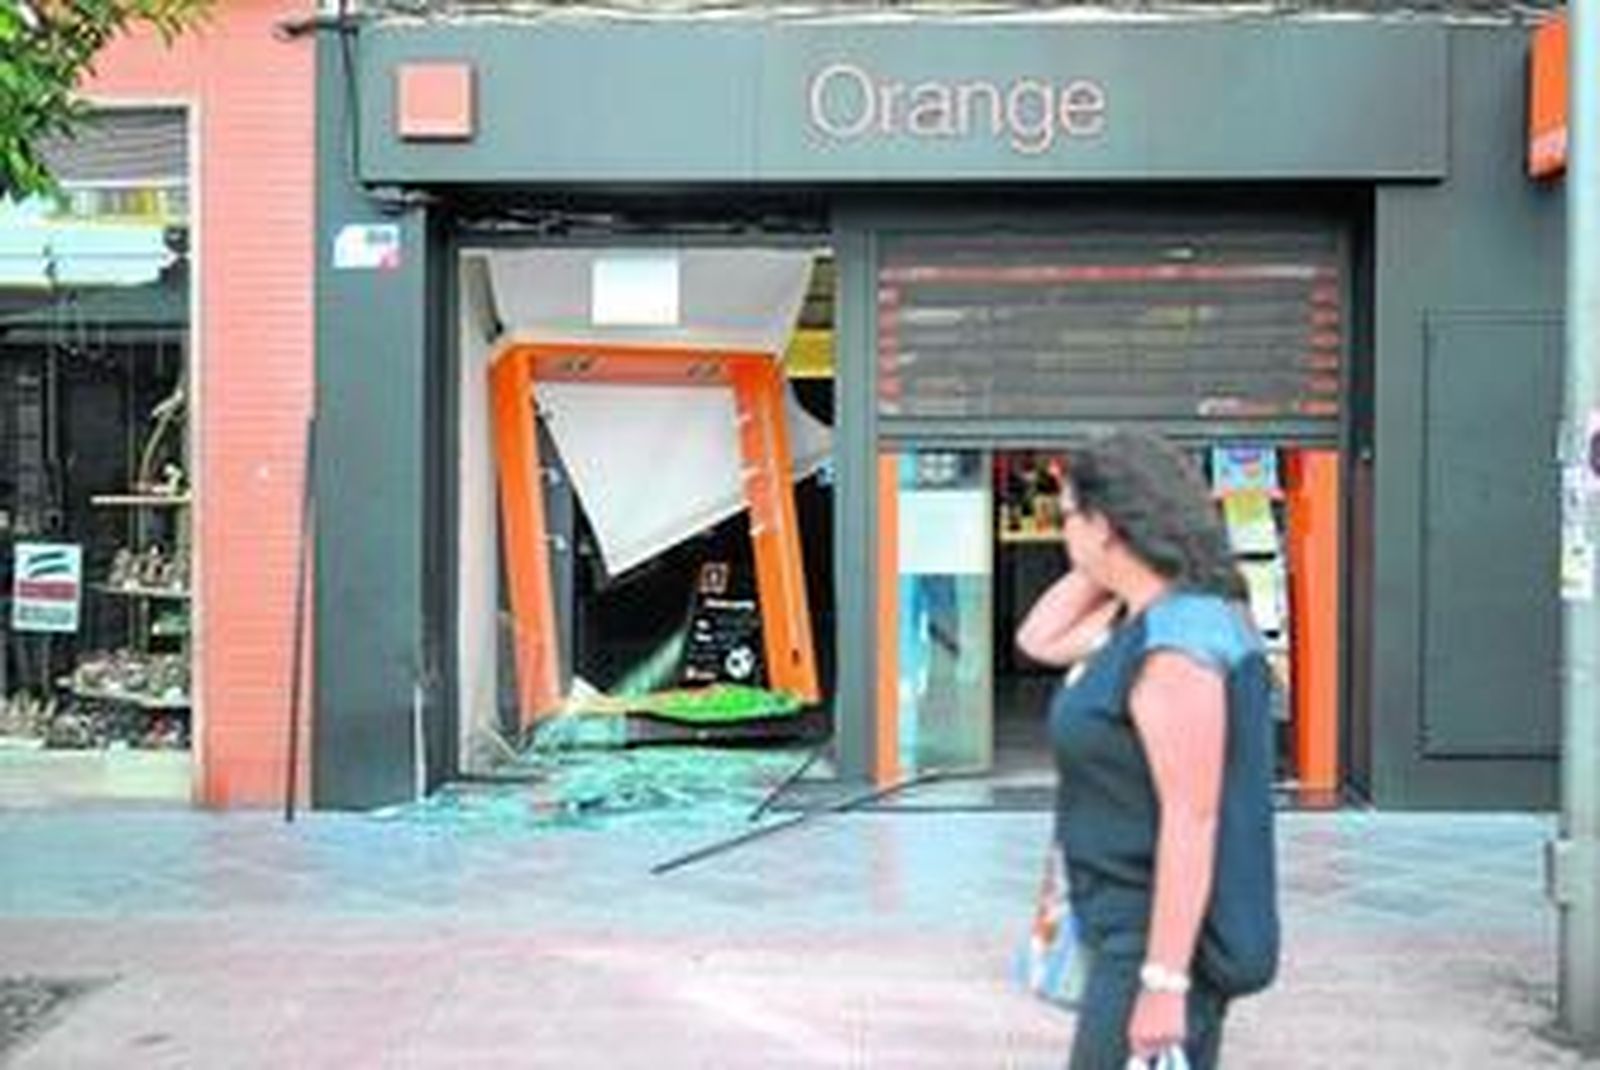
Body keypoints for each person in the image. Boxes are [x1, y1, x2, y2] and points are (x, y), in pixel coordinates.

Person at [1015, 431, 1279, 1070]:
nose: (1061, 531)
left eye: (1068, 516)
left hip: (1150, 943)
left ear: (1106, 524)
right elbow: (1038, 638)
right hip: (1120, 931)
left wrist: (1164, 983)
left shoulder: (1179, 642)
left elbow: (1193, 816)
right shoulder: (1144, 619)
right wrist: (1107, 563)